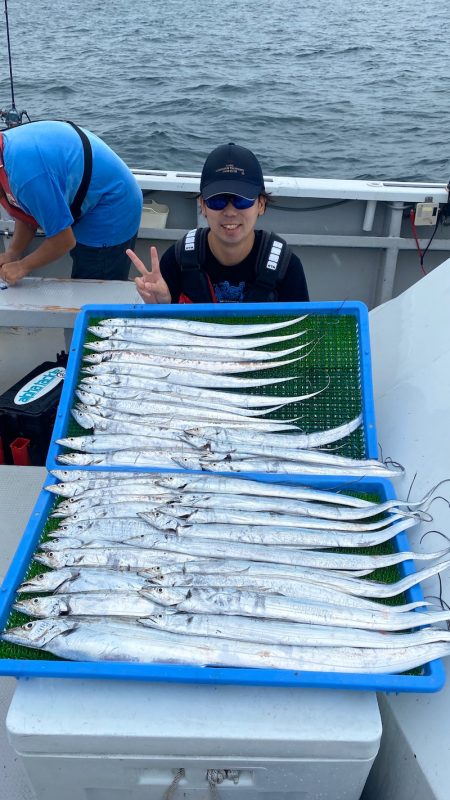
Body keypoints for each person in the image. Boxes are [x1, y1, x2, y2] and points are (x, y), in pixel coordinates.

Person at [128, 142, 309, 304]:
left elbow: (302, 330)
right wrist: (161, 307)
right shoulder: (177, 260)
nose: (230, 212)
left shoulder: (286, 267)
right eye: (217, 201)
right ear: (203, 205)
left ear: (261, 205)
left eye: (242, 200)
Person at [0, 120, 143, 284]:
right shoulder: (7, 154)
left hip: (112, 206)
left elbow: (63, 241)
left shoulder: (25, 177)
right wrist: (13, 252)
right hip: (88, 196)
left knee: (94, 288)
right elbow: (29, 213)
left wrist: (22, 266)